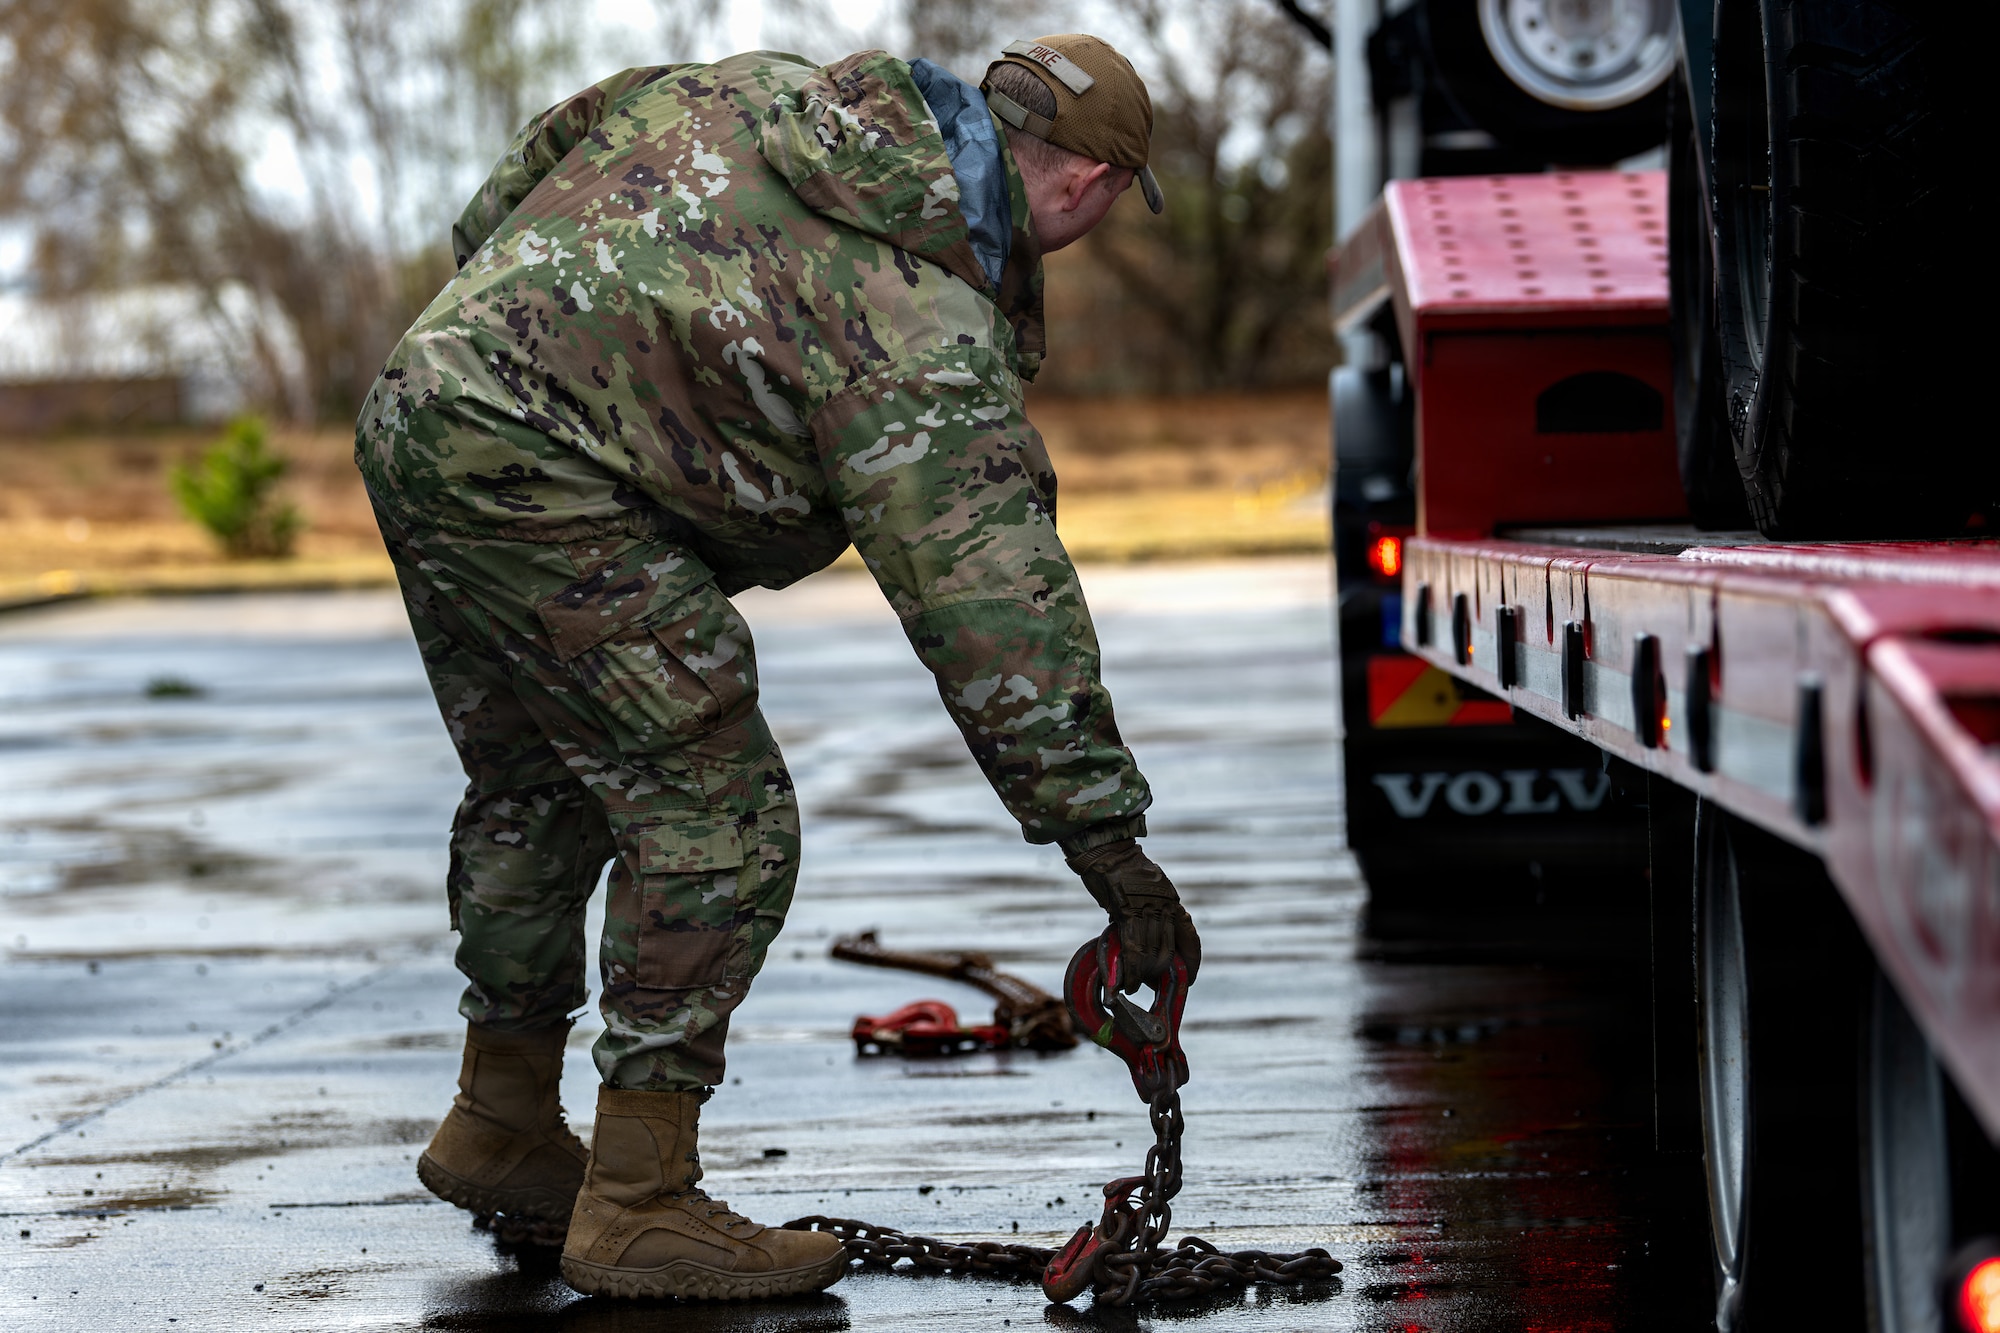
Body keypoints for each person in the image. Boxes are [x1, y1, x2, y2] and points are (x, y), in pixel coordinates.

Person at [355, 32, 1202, 1301]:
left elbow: (505, 193)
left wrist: (561, 349)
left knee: (542, 784)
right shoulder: (916, 322)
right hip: (543, 474)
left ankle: (502, 1124)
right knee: (717, 814)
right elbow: (991, 608)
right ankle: (638, 1201)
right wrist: (1109, 850)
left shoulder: (755, 88)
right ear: (1082, 187)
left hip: (426, 406)